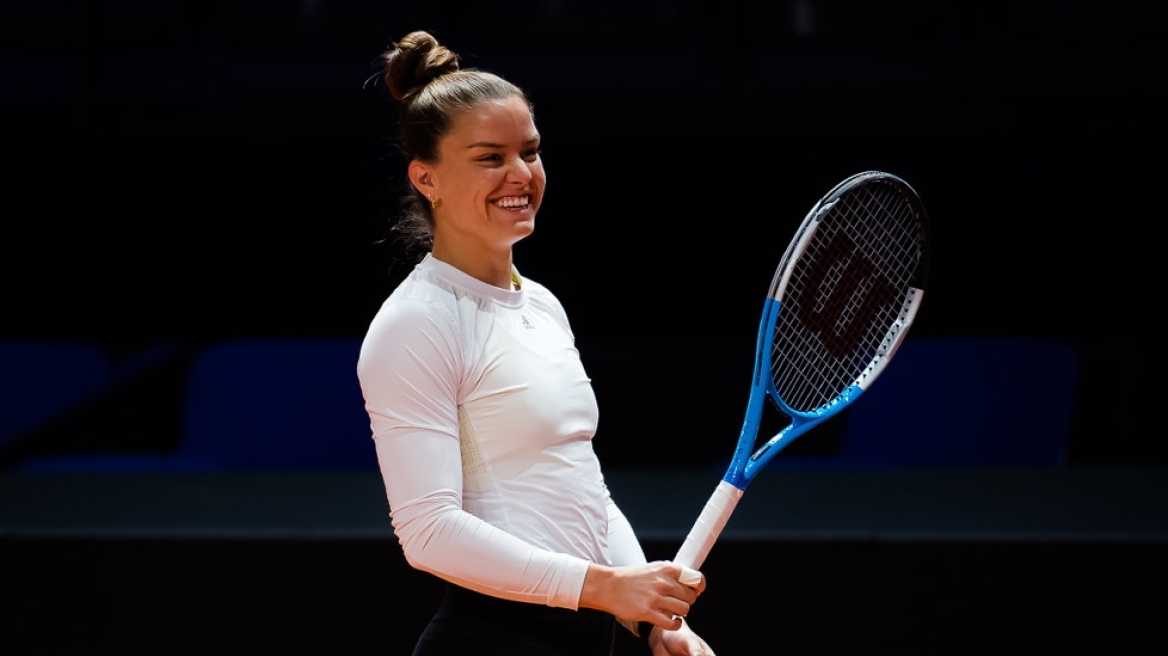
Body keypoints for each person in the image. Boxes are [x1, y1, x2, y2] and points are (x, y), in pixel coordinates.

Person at [356, 30, 717, 656]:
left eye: (530, 151)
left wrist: (657, 622)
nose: (521, 174)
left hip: (586, 637)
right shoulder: (415, 322)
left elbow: (582, 489)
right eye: (489, 157)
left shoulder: (543, 304)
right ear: (426, 177)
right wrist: (603, 586)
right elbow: (429, 532)